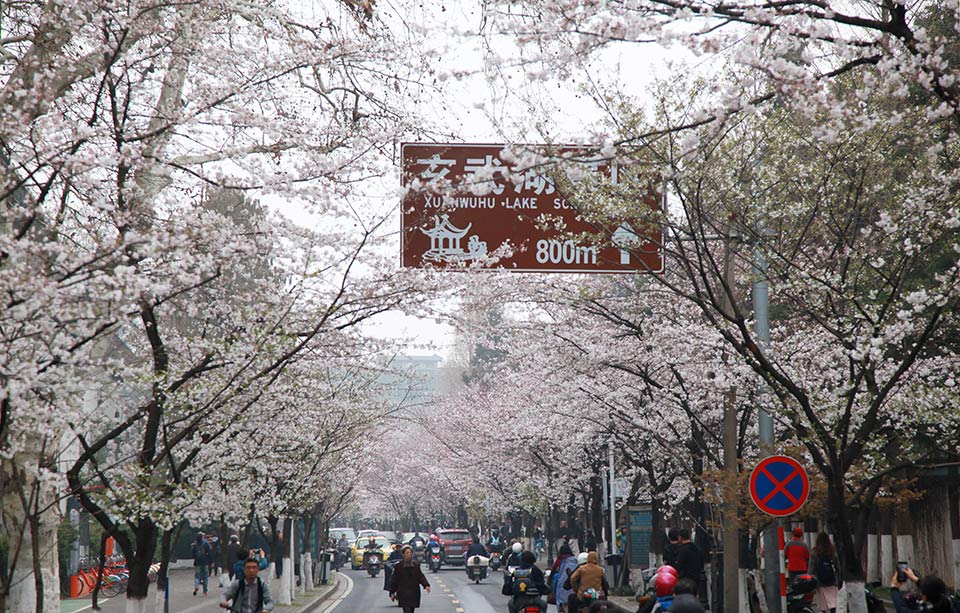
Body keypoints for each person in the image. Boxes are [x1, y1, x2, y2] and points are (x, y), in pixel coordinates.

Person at [389, 545, 431, 613]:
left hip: (414, 593)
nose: (409, 555)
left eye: (410, 553)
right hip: (403, 594)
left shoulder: (415, 566)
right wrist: (392, 592)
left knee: (411, 610)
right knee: (406, 610)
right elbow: (394, 580)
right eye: (407, 553)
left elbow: (421, 577)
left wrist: (426, 585)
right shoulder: (398, 567)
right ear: (403, 554)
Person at [809, 532, 842, 613]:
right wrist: (839, 579)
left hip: (820, 583)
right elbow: (837, 566)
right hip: (832, 581)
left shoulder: (815, 552)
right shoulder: (832, 551)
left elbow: (811, 569)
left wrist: (810, 582)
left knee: (822, 605)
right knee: (833, 603)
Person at [553, 545, 578, 613]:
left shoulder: (560, 560)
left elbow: (553, 569)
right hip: (573, 588)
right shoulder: (575, 561)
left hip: (562, 587)